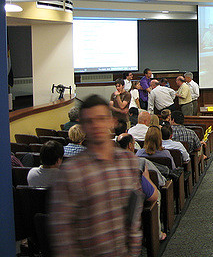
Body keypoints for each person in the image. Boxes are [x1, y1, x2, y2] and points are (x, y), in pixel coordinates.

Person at [49, 95, 143, 256]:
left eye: (101, 118)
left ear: (112, 121)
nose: (96, 125)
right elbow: (62, 230)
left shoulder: (128, 162)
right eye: (89, 121)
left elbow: (133, 216)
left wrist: (133, 251)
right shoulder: (71, 171)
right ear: (82, 126)